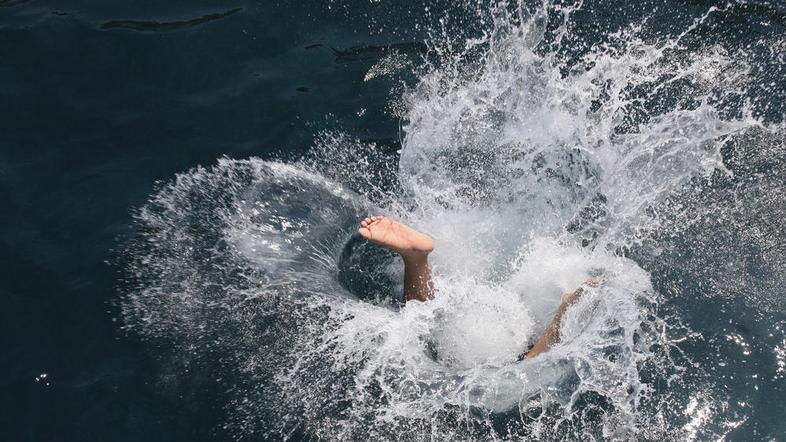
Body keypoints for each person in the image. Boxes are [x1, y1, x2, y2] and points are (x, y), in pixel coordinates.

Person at [357, 215, 594, 360]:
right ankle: (415, 259)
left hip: (482, 329)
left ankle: (415, 260)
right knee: (425, 335)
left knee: (423, 331)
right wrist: (564, 310)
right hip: (496, 344)